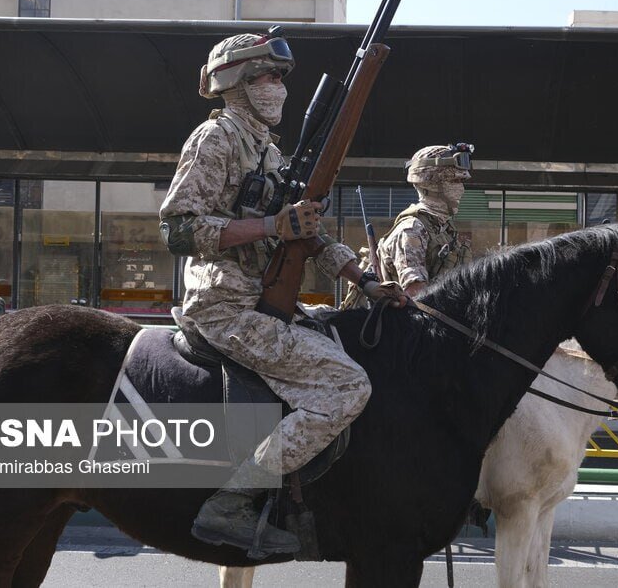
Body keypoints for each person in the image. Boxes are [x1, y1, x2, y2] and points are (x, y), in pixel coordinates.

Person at [158, 31, 408, 557]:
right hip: (224, 306)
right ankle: (233, 500)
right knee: (346, 386)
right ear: (239, 82)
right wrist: (272, 224)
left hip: (261, 302)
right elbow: (178, 228)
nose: (278, 89)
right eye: (269, 77)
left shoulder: (267, 149)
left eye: (279, 79)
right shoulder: (217, 139)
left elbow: (305, 232)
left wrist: (363, 281)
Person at [343, 144, 472, 305]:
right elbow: (416, 296)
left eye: (461, 181)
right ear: (431, 183)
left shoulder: (444, 229)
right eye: (454, 181)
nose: (461, 188)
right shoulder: (412, 230)